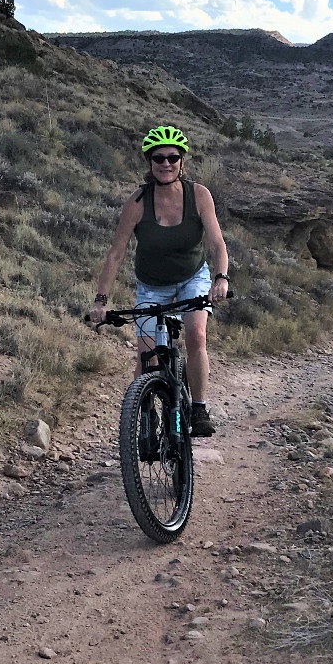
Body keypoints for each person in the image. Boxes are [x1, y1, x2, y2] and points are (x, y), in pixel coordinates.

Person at [89, 125, 230, 437]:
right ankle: (145, 416)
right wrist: (101, 300)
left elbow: (217, 244)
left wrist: (221, 278)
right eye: (158, 158)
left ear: (182, 161)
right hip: (152, 285)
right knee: (146, 355)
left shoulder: (199, 195)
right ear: (149, 163)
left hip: (192, 279)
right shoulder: (138, 202)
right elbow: (116, 253)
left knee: (195, 336)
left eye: (172, 157)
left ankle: (199, 407)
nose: (166, 164)